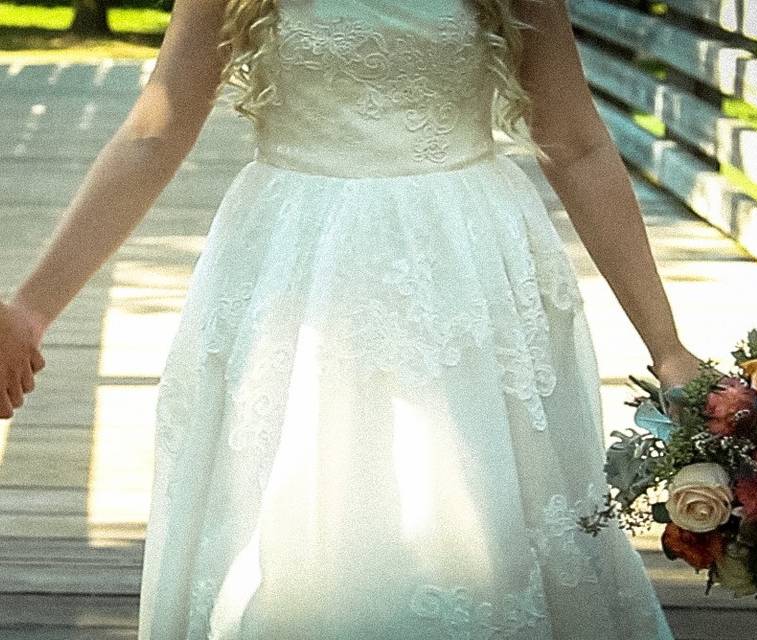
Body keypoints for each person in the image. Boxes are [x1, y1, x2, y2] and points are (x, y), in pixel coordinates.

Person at [0, 0, 705, 637]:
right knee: (292, 526)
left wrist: (667, 347)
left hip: (463, 268)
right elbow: (155, 132)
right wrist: (31, 310)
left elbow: (577, 142)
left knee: (468, 518)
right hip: (296, 263)